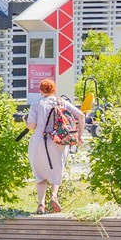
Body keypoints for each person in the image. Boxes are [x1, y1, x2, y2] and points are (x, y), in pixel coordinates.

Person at [27, 78, 85, 213]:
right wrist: (80, 136)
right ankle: (54, 196)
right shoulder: (62, 102)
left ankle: (41, 204)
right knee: (56, 170)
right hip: (59, 140)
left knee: (40, 174)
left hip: (39, 140)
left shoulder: (36, 105)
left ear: (41, 91)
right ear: (54, 90)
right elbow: (81, 115)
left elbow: (32, 125)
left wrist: (25, 120)